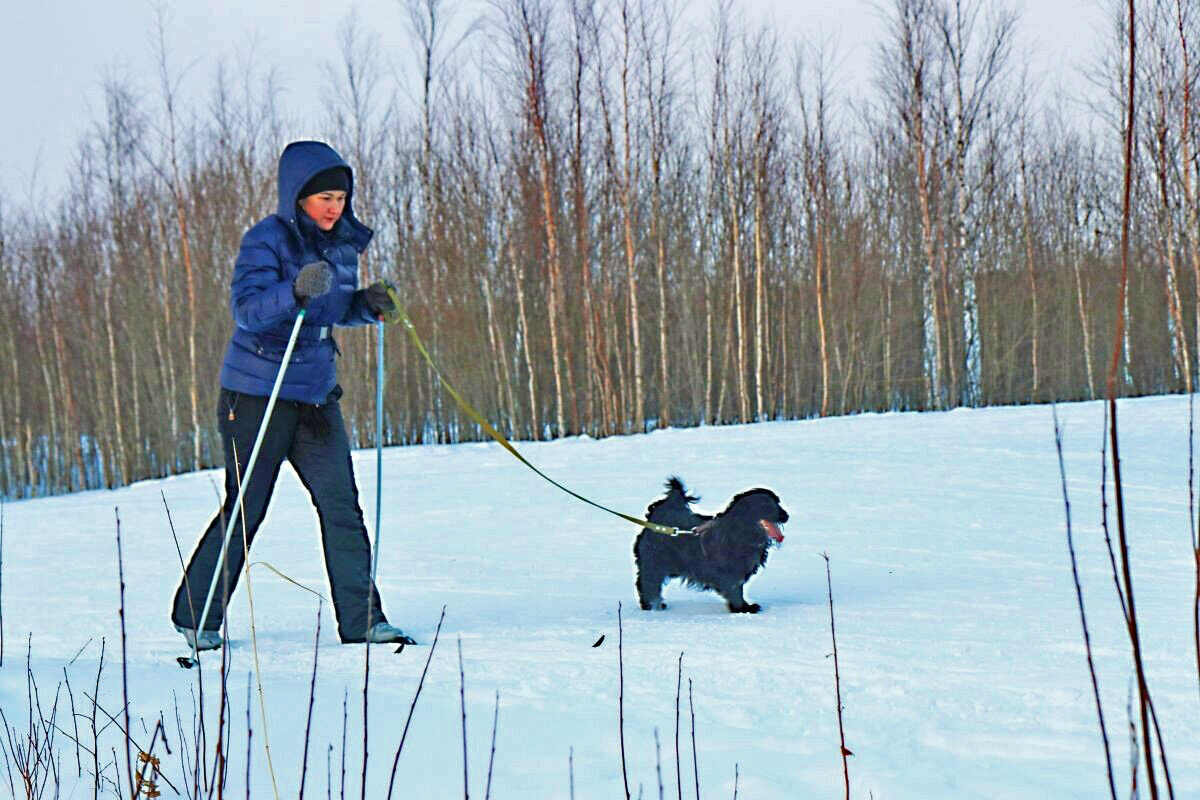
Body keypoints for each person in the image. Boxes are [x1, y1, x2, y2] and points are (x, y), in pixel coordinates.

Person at [171, 140, 413, 651]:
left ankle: (363, 621)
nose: (334, 207)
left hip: (316, 393)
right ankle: (196, 615)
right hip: (258, 392)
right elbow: (248, 309)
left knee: (341, 505)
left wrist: (365, 305)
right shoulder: (267, 240)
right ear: (297, 195)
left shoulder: (343, 244)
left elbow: (331, 308)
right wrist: (295, 291)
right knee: (248, 506)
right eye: (323, 196)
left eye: (341, 197)